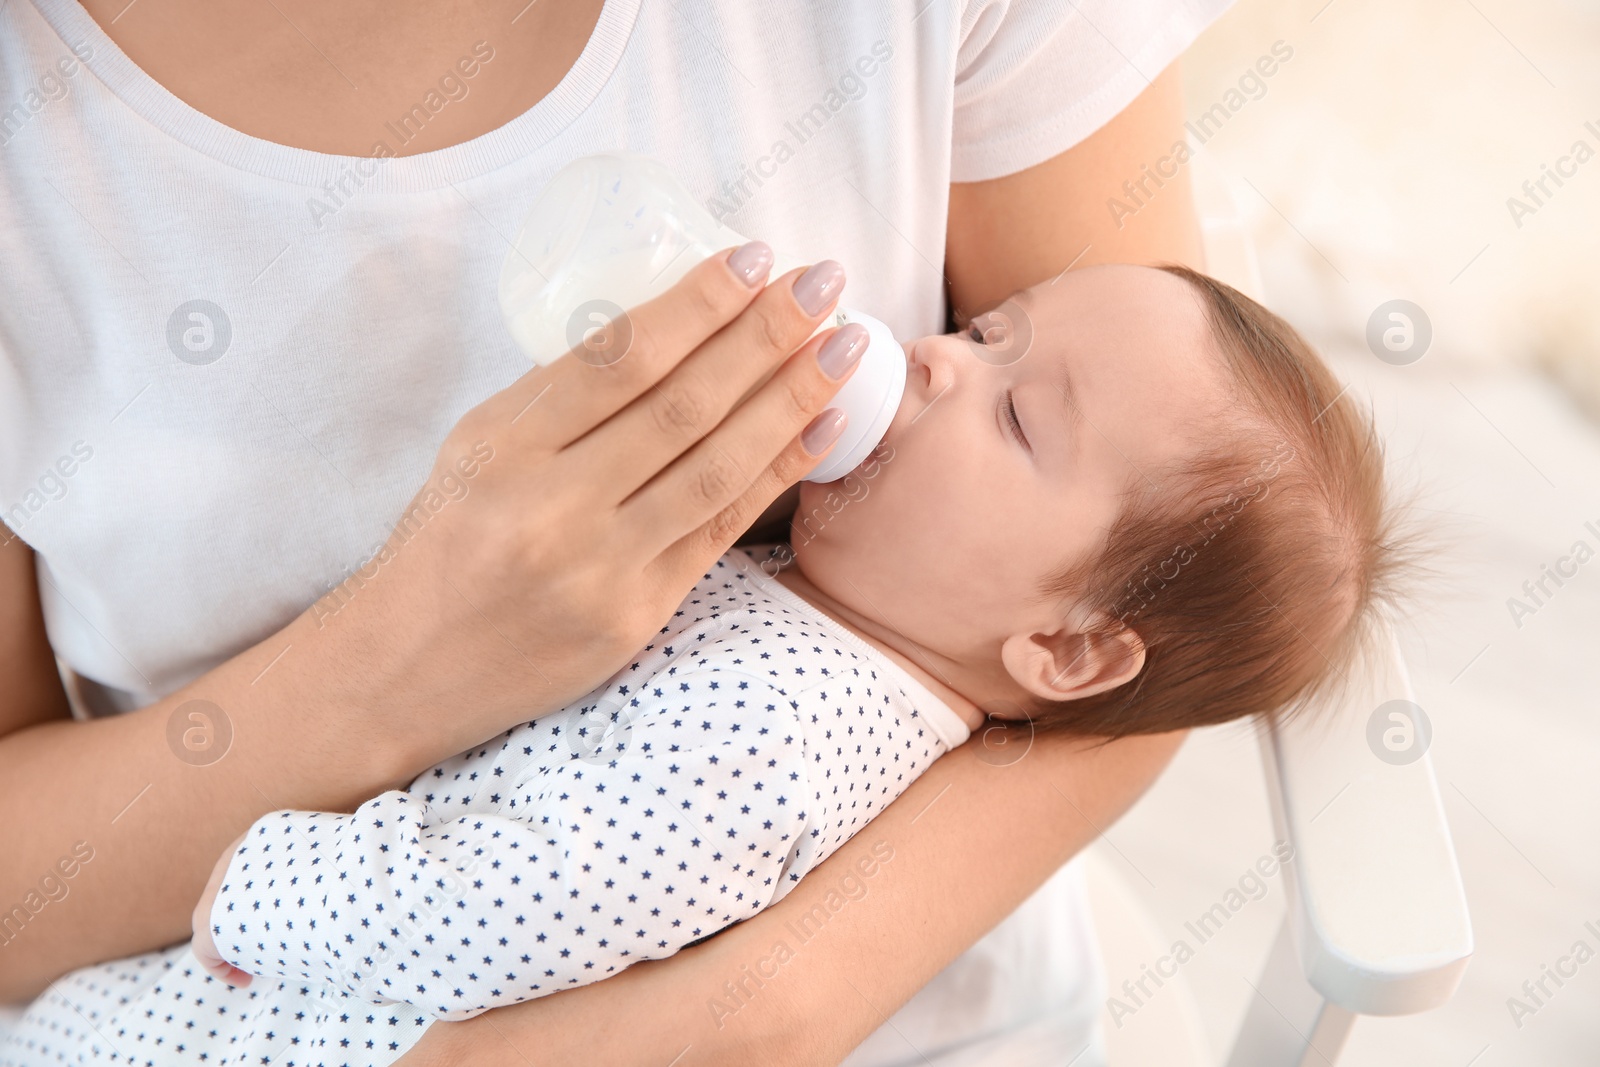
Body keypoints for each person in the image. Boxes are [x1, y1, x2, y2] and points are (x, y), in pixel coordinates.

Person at [0, 1, 1234, 1063]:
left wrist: (775, 1006)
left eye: (1011, 403)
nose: (930, 351)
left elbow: (1194, 579)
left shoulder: (768, 736)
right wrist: (395, 655)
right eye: (980, 325)